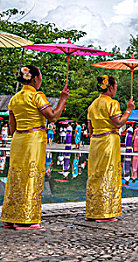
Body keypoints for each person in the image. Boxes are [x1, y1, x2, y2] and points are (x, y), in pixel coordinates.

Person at [2, 65, 69, 230]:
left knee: (16, 176)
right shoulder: (37, 96)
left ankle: (10, 217)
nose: (41, 80)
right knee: (31, 175)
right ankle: (26, 219)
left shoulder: (15, 99)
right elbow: (52, 117)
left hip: (18, 140)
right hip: (33, 139)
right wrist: (62, 99)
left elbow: (11, 129)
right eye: (40, 77)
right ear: (34, 79)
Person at [86, 75, 134, 222]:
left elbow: (90, 128)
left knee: (95, 175)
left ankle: (93, 210)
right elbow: (118, 123)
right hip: (108, 140)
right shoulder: (112, 103)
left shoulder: (93, 104)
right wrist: (128, 110)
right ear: (111, 87)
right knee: (107, 173)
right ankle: (104, 211)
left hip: (95, 142)